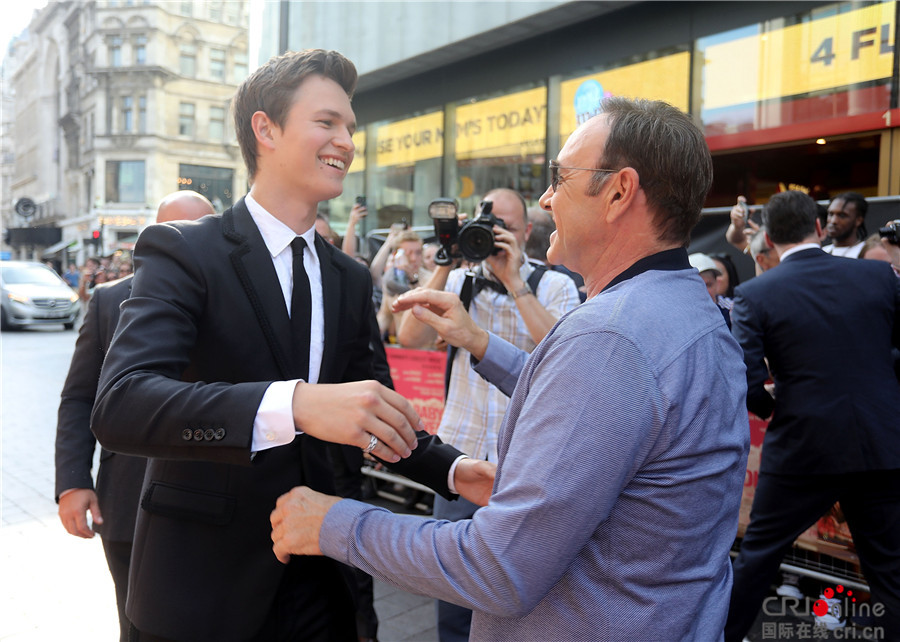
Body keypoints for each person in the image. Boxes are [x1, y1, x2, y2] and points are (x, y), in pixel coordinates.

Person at [270, 97, 750, 641]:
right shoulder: (689, 313)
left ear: (619, 192)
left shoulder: (610, 337)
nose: (547, 199)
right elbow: (610, 412)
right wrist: (479, 343)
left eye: (560, 179)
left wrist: (334, 523)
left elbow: (499, 568)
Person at [90, 49, 487, 642]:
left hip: (326, 582)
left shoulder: (349, 278)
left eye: (350, 127)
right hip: (203, 589)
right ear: (265, 128)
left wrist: (454, 471)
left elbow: (374, 410)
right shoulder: (182, 251)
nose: (347, 141)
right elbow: (123, 406)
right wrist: (295, 404)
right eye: (327, 122)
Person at [397, 186, 579, 641]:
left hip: (524, 466)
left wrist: (516, 282)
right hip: (458, 458)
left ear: (526, 232)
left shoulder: (554, 285)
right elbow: (410, 338)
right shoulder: (459, 281)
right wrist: (445, 260)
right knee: (452, 592)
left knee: (520, 591)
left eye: (505, 229)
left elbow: (569, 357)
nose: (494, 237)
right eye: (487, 227)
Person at [726, 190, 900, 641]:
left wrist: (779, 409)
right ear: (819, 228)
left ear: (768, 237)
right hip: (879, 442)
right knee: (890, 572)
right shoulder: (879, 276)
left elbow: (745, 381)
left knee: (758, 558)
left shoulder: (755, 294)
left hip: (803, 447)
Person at [55, 190, 215, 641]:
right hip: (127, 501)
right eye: (172, 234)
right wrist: (73, 481)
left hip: (216, 500)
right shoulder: (109, 301)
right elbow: (79, 396)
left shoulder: (235, 299)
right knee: (137, 626)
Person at [823, 191, 867, 257]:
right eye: (831, 214)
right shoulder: (822, 252)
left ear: (858, 220)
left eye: (842, 215)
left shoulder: (868, 253)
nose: (833, 221)